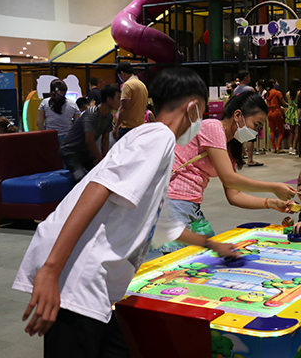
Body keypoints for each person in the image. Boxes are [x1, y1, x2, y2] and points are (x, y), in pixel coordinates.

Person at [13, 68, 237, 357]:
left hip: (94, 283)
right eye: (203, 113)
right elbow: (98, 188)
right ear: (193, 107)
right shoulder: (160, 137)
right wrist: (51, 269)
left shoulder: (153, 139)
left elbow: (163, 224)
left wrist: (211, 244)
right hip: (78, 276)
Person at [158, 91, 297, 253]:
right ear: (238, 115)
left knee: (202, 260)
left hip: (189, 205)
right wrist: (273, 187)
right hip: (174, 202)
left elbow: (234, 196)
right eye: (256, 125)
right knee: (183, 265)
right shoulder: (213, 127)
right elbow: (229, 178)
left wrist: (272, 203)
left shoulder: (229, 148)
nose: (256, 132)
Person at [59, 85, 121, 183]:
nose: (120, 102)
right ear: (109, 99)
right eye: (118, 99)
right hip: (70, 151)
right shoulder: (91, 114)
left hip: (85, 152)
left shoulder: (108, 116)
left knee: (103, 174)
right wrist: (100, 159)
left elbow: (105, 140)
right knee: (81, 179)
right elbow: (89, 140)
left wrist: (103, 160)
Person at [112, 62, 148, 140]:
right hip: (140, 127)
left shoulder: (127, 85)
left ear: (122, 73)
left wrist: (116, 126)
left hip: (127, 128)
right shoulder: (142, 85)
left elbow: (124, 108)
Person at [234, 70, 262, 167]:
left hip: (239, 115)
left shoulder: (236, 90)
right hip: (249, 115)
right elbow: (257, 102)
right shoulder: (250, 89)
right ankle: (250, 159)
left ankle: (240, 156)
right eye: (249, 76)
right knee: (251, 137)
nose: (250, 78)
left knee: (240, 137)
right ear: (245, 77)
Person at [266, 79, 288, 153]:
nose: (278, 84)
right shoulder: (278, 93)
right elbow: (284, 103)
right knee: (280, 130)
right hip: (276, 112)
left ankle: (273, 148)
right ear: (273, 84)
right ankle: (278, 147)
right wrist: (290, 105)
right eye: (276, 83)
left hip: (269, 112)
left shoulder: (267, 93)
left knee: (272, 130)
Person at [285, 78, 301, 155]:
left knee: (291, 132)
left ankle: (290, 147)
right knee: (297, 132)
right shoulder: (299, 93)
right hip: (297, 112)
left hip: (290, 112)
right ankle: (294, 148)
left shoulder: (287, 93)